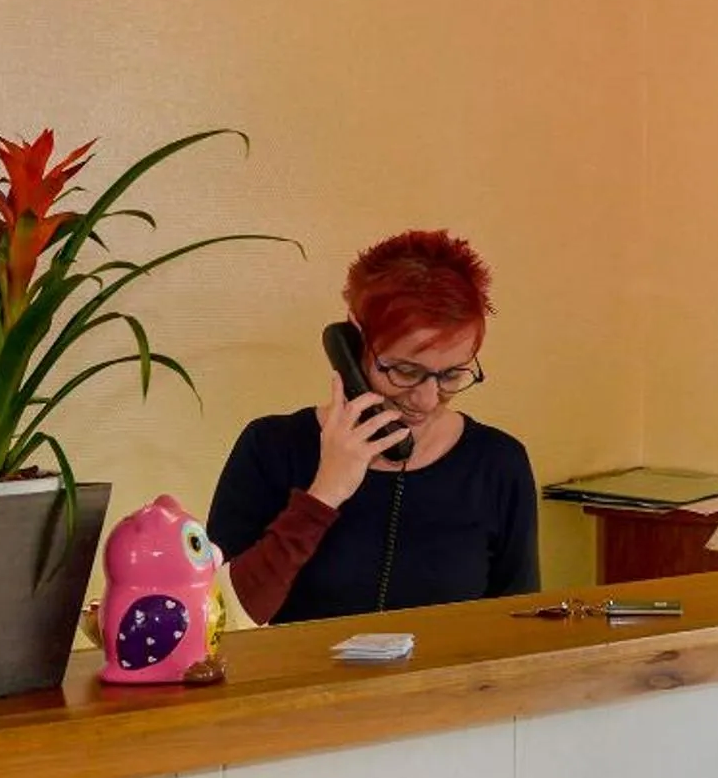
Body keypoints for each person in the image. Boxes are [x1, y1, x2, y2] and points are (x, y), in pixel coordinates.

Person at [208, 230, 540, 624]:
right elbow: (220, 619)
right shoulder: (271, 448)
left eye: (452, 375)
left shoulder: (498, 464)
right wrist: (324, 495)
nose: (427, 399)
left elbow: (519, 627)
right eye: (405, 371)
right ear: (353, 342)